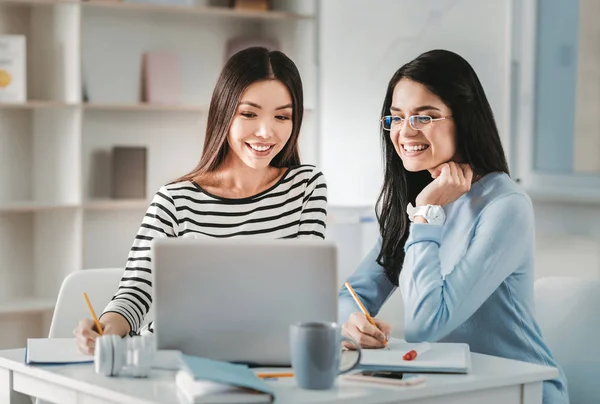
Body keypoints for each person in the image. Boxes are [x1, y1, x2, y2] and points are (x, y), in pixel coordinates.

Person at [338, 49, 568, 403]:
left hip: (519, 391)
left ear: (464, 119)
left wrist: (428, 214)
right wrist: (351, 323)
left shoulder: (505, 206)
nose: (405, 131)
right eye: (397, 118)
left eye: (424, 117)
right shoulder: (415, 202)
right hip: (451, 388)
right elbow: (350, 295)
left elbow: (425, 325)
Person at [75, 47, 327, 354]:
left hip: (271, 353)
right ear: (224, 111)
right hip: (175, 356)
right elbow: (135, 293)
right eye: (249, 113)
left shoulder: (306, 187)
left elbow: (306, 293)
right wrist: (105, 331)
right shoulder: (175, 200)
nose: (265, 132)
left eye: (282, 116)